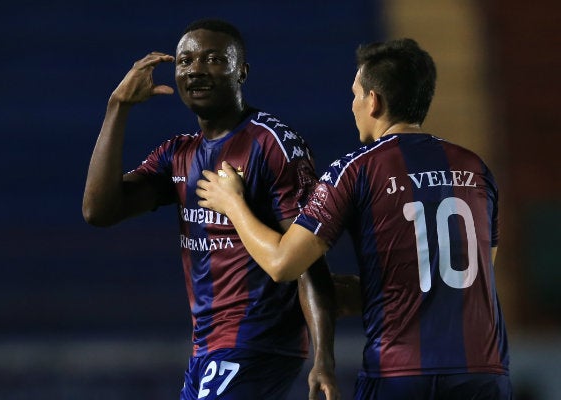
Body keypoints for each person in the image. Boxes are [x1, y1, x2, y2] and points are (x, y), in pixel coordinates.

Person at [197, 38, 512, 399]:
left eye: (356, 94)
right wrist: (378, 291)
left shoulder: (356, 169)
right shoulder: (476, 168)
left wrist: (233, 203)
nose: (353, 105)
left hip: (399, 372)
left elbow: (282, 264)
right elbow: (478, 274)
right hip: (485, 374)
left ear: (374, 101)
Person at [82, 18, 339, 400]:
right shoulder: (178, 154)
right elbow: (100, 211)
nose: (196, 70)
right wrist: (117, 107)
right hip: (208, 348)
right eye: (185, 61)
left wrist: (324, 359)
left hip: (256, 342)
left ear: (242, 72)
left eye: (214, 59)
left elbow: (307, 262)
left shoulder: (273, 144)